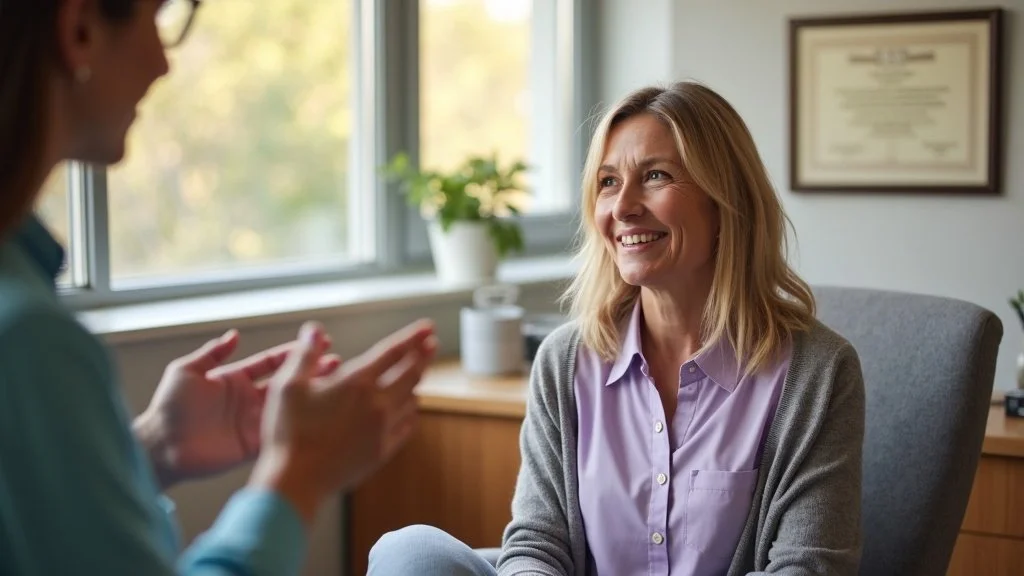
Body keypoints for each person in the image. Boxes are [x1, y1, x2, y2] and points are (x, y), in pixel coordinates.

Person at [0, 1, 437, 574]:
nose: (163, 63)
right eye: (157, 20)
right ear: (78, 30)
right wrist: (298, 472)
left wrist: (152, 449)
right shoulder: (29, 336)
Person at [368, 81, 866, 575]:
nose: (623, 206)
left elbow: (808, 569)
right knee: (408, 553)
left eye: (655, 175)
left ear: (725, 202)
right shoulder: (566, 361)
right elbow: (539, 541)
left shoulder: (816, 373)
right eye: (608, 181)